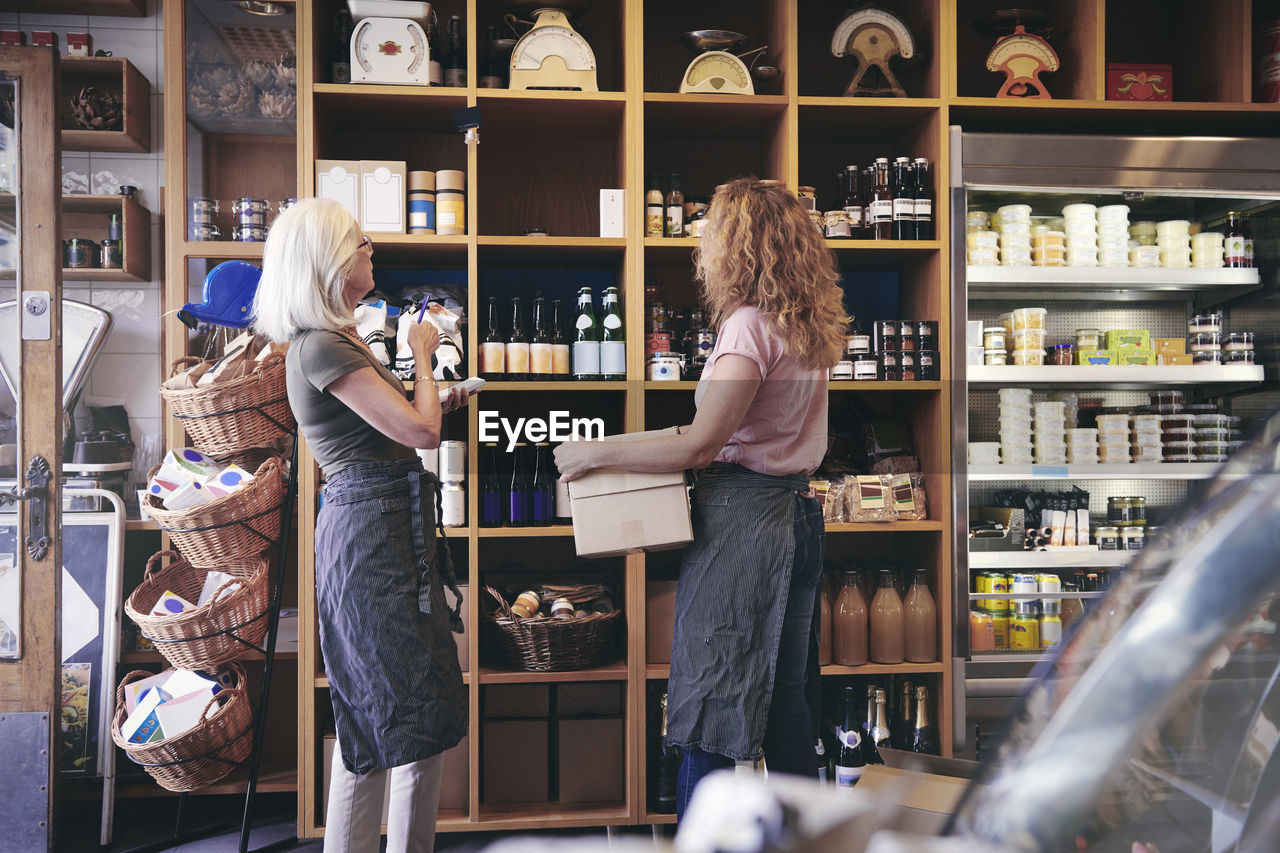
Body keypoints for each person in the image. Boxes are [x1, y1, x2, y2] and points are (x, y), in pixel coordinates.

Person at [555, 176, 848, 819]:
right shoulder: (806, 322)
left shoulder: (746, 328)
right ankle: (815, 837)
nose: (701, 244)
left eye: (711, 234)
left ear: (736, 246)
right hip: (798, 517)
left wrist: (592, 451)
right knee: (785, 705)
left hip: (744, 526)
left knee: (711, 707)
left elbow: (698, 445)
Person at [252, 198, 470, 853]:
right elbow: (420, 429)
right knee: (402, 714)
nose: (370, 247)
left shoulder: (335, 341)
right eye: (359, 242)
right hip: (372, 540)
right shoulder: (321, 345)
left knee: (376, 718)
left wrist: (437, 390)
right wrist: (425, 358)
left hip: (383, 529)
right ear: (328, 262)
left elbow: (398, 421)